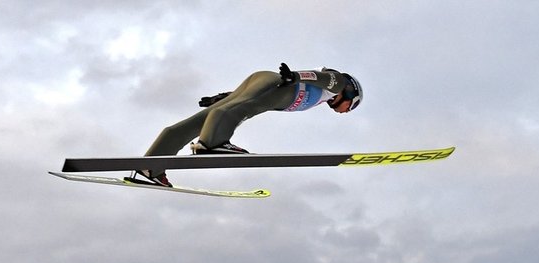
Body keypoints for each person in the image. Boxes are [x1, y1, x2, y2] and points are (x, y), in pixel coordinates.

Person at [129, 63, 363, 187]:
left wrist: (222, 97)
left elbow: (246, 96)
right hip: (278, 84)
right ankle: (213, 143)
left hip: (263, 81)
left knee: (197, 122)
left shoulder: (323, 97)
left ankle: (152, 166)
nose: (345, 112)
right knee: (244, 109)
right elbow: (324, 77)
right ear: (350, 93)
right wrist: (296, 76)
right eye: (351, 107)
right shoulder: (337, 83)